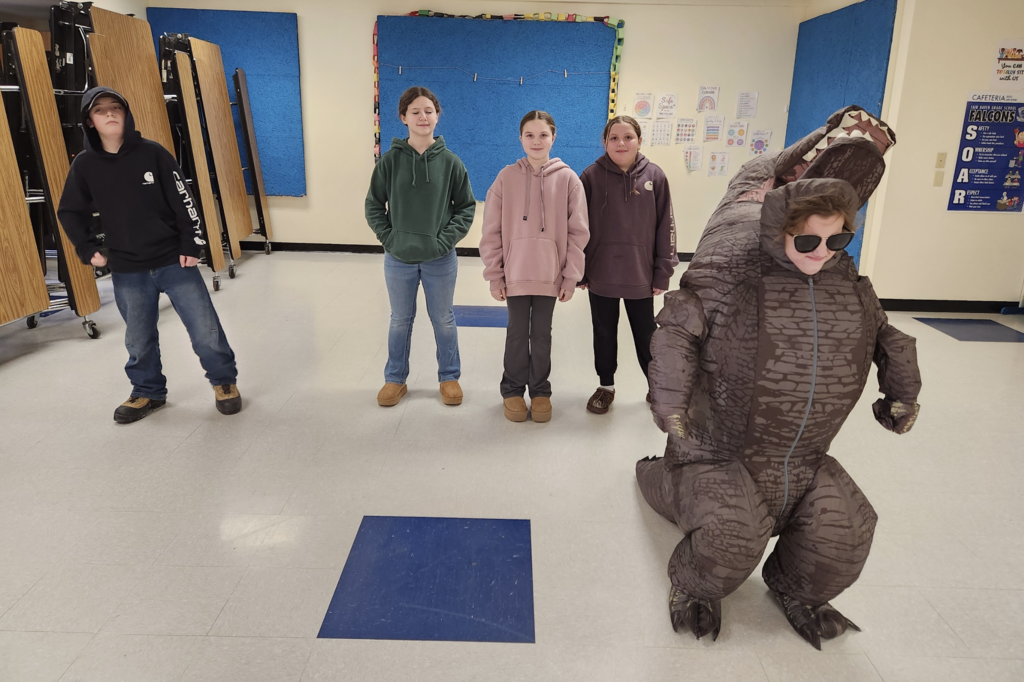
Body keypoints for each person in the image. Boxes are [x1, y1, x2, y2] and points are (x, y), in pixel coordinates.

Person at [637, 106, 921, 649]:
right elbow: (678, 331)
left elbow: (887, 337)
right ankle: (692, 587)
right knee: (731, 539)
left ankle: (797, 590)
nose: (822, 253)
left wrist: (902, 394)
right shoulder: (735, 248)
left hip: (806, 459)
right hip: (718, 455)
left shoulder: (844, 280)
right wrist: (670, 410)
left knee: (847, 532)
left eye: (836, 242)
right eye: (809, 241)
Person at [58, 87, 240, 424]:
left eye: (116, 108)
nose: (110, 114)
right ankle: (147, 391)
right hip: (128, 267)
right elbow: (70, 211)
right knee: (138, 338)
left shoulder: (153, 154)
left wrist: (192, 244)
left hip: (174, 260)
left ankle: (223, 381)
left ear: (126, 114)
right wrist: (87, 248)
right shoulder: (85, 166)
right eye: (101, 110)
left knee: (204, 329)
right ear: (90, 121)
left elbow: (184, 200)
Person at [365, 86, 476, 408]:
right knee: (400, 319)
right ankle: (395, 379)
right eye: (415, 111)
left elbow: (466, 207)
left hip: (440, 259)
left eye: (428, 110)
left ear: (437, 116)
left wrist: (444, 241)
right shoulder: (389, 162)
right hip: (398, 257)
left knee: (443, 318)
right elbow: (374, 205)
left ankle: (449, 377)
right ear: (403, 118)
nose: (422, 116)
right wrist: (390, 238)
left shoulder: (452, 163)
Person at [479, 111, 589, 422]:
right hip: (514, 274)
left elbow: (579, 232)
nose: (537, 141)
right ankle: (512, 389)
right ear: (520, 139)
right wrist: (494, 274)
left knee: (542, 334)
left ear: (553, 137)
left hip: (549, 275)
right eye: (530, 135)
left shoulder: (569, 179)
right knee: (516, 333)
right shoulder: (506, 177)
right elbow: (491, 230)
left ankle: (540, 390)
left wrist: (570, 277)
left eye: (543, 135)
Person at [578, 115, 677, 414]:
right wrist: (579, 271)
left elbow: (666, 227)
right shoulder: (590, 177)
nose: (621, 143)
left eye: (628, 137)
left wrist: (663, 272)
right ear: (605, 142)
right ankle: (605, 386)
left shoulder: (655, 177)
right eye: (614, 138)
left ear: (639, 140)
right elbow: (577, 228)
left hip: (641, 275)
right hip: (601, 274)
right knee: (604, 331)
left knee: (647, 335)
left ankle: (655, 387)